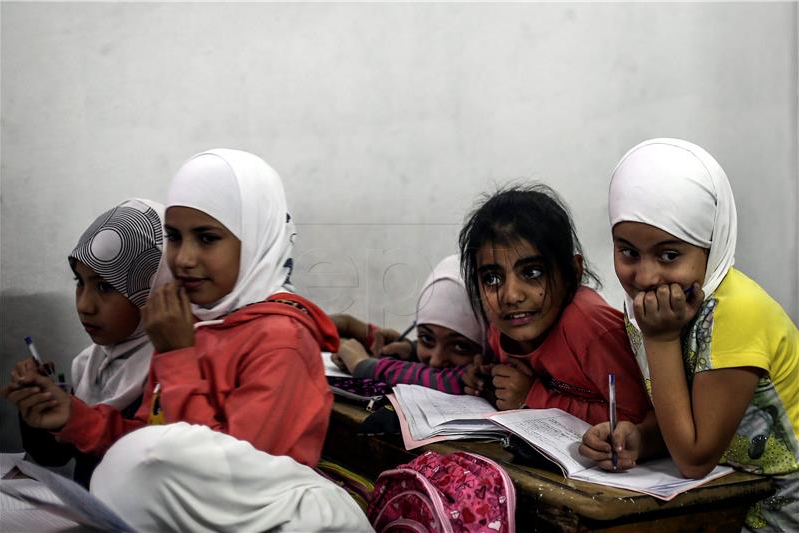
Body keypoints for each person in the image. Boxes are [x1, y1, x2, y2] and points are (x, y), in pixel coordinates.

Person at [5, 149, 339, 466]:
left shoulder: (280, 341)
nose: (183, 259)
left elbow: (228, 476)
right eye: (174, 237)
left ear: (256, 238)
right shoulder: (197, 325)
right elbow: (152, 446)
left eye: (207, 238)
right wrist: (73, 418)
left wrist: (178, 357)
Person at [579, 138, 799, 532]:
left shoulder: (735, 312)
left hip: (785, 501)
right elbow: (687, 420)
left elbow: (694, 459)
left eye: (668, 255)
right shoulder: (654, 307)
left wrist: (661, 340)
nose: (644, 278)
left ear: (711, 246)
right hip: (735, 491)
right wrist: (639, 438)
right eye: (627, 252)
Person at [8, 198, 170, 487]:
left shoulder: (174, 368)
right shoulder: (89, 364)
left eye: (105, 286)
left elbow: (157, 464)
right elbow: (55, 456)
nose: (84, 305)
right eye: (79, 282)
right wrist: (40, 409)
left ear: (152, 288)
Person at [458, 184, 650, 425]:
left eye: (532, 272)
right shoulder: (501, 328)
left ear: (573, 272)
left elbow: (640, 419)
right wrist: (486, 379)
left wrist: (532, 396)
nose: (511, 296)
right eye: (492, 278)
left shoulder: (587, 326)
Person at [332, 254, 484, 394]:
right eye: (426, 338)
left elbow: (446, 380)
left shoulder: (484, 374)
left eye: (460, 347)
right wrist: (411, 350)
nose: (436, 361)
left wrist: (362, 365)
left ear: (487, 343)